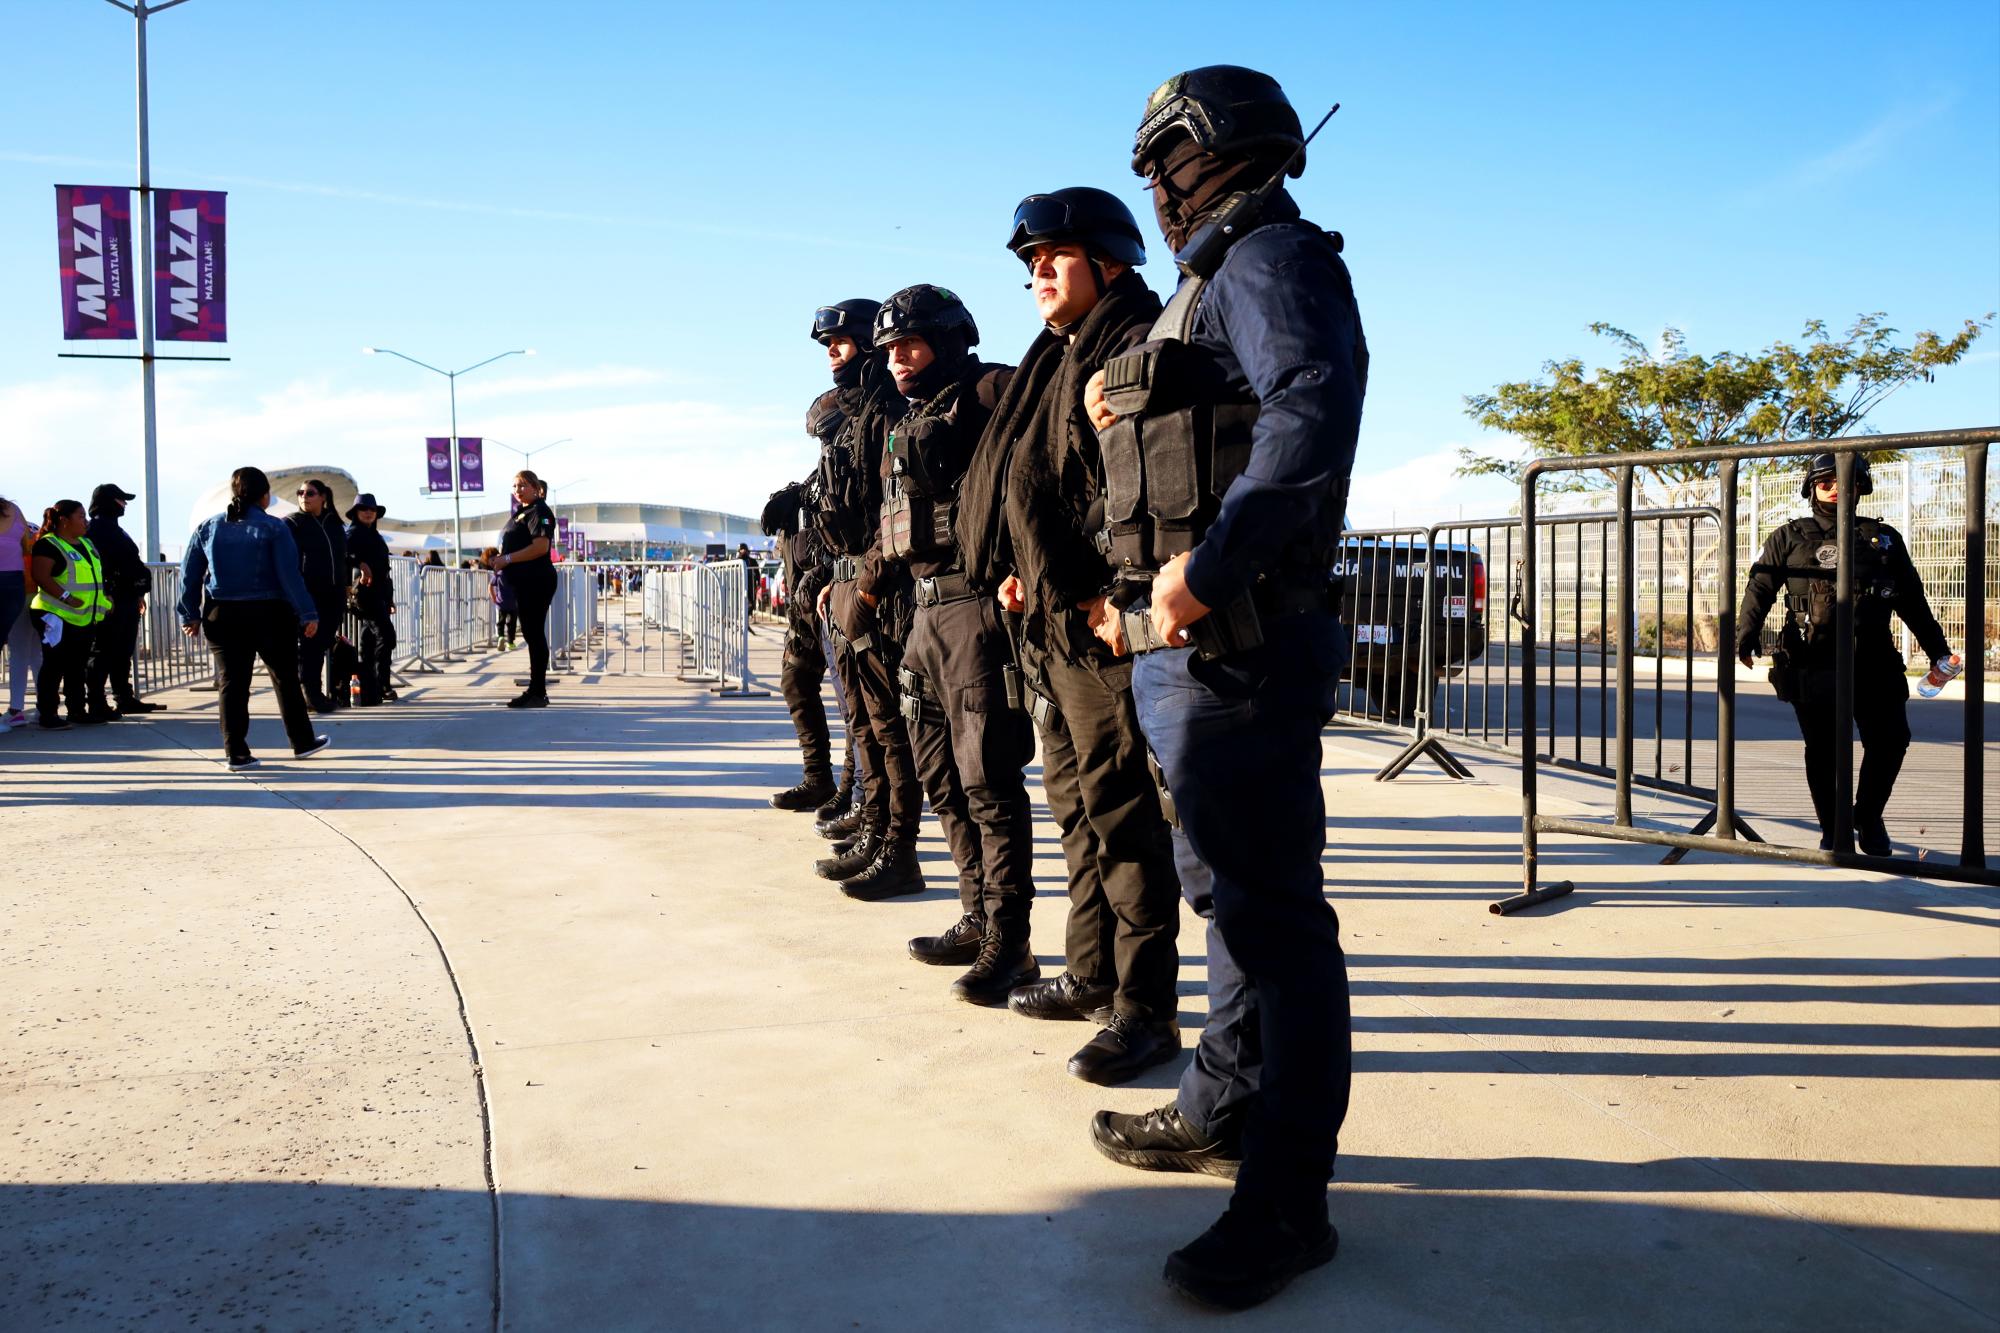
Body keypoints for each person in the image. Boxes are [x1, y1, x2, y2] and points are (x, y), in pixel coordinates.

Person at [1085, 67, 1367, 1309]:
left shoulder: (1267, 256)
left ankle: (1286, 1203)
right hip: (1189, 651)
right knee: (1228, 906)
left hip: (1237, 642)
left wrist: (1205, 570)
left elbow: (1311, 410)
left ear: (1227, 148)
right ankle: (1216, 1108)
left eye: (1169, 157)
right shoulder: (1206, 284)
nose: (1156, 182)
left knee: (1272, 925)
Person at [952, 187, 1184, 1083]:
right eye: (1030, 263)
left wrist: (1099, 595)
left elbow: (1135, 493)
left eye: (1055, 255)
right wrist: (1025, 569)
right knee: (1080, 811)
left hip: (1101, 625)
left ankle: (1144, 1007)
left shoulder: (1133, 342)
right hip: (1051, 617)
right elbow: (1039, 483)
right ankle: (1091, 971)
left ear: (1112, 260)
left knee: (1125, 819)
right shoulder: (1060, 358)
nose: (1038, 272)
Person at [859, 284, 1041, 1005]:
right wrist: (865, 586)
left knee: (989, 781)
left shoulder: (991, 387)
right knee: (940, 776)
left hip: (975, 608)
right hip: (923, 617)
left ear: (950, 338)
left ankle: (1010, 940)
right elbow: (895, 517)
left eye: (912, 344)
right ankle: (975, 913)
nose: (901, 359)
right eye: (892, 350)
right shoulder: (908, 419)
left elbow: (1058, 434)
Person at [1737, 451, 1954, 856]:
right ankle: (1833, 829)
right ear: (1812, 487)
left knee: (1891, 740)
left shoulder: (1883, 538)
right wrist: (1745, 634)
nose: (1837, 489)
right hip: (1811, 660)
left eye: (1847, 482)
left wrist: (1938, 650)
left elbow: (1912, 600)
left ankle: (1868, 817)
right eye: (1827, 482)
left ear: (1861, 488)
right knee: (1823, 750)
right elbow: (1760, 587)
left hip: (1874, 660)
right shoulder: (1789, 536)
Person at [808, 299, 923, 889]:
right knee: (865, 721)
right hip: (852, 578)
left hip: (883, 591)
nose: (832, 352)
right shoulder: (852, 416)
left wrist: (867, 590)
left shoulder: (886, 413)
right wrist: (838, 576)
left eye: (841, 342)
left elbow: (892, 513)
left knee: (889, 727)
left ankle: (899, 849)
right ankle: (875, 827)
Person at [176, 467, 329, 769]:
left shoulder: (209, 526)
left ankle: (237, 753)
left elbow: (189, 574)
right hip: (269, 613)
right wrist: (307, 612)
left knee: (232, 684)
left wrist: (189, 613)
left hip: (222, 613)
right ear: (264, 495)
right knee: (285, 678)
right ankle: (302, 742)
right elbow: (289, 575)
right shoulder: (274, 527)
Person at [762, 394, 845, 812]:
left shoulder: (860, 458)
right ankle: (819, 779)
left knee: (859, 709)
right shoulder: (822, 476)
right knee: (796, 682)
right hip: (806, 611)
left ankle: (858, 793)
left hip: (844, 603)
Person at [28, 499, 110, 729]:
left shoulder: (86, 543)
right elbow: (41, 576)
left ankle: (77, 710)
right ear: (64, 520)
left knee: (77, 665)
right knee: (54, 665)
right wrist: (66, 598)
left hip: (83, 616)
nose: (85, 521)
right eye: (81, 516)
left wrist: (105, 598)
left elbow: (93, 577)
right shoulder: (48, 544)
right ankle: (48, 714)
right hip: (54, 615)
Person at [84, 483, 161, 718]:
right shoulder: (96, 530)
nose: (124, 505)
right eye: (120, 500)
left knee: (122, 651)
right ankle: (97, 702)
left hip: (126, 598)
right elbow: (102, 566)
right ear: (108, 502)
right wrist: (109, 592)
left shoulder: (114, 529)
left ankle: (124, 698)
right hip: (112, 600)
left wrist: (138, 593)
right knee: (104, 651)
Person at [482, 470, 557, 708]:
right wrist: (500, 560)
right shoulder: (523, 512)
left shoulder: (539, 511)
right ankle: (535, 689)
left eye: (523, 485)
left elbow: (541, 547)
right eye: (515, 486)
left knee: (534, 634)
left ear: (536, 488)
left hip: (537, 580)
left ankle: (538, 691)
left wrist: (509, 559)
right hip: (523, 582)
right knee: (531, 633)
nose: (518, 490)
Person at [284, 478, 349, 712]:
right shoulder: (292, 523)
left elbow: (343, 555)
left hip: (334, 595)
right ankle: (311, 695)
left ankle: (314, 693)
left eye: (310, 493)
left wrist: (354, 574)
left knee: (320, 644)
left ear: (323, 496)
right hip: (307, 596)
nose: (304, 496)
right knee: (309, 647)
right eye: (300, 492)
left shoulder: (334, 523)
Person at [344, 492, 396, 706]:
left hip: (379, 594)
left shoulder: (375, 535)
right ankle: (381, 684)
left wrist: (389, 598)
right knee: (387, 636)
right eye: (363, 509)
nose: (368, 513)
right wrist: (361, 563)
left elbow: (384, 571)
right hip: (364, 594)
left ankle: (370, 685)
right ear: (356, 512)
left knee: (369, 640)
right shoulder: (353, 533)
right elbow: (344, 553)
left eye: (372, 510)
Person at [1, 494, 40, 729]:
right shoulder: (14, 511)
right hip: (26, 591)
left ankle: (16, 709)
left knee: (18, 654)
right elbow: (25, 544)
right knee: (36, 653)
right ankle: (46, 705)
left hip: (20, 592)